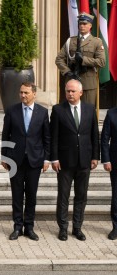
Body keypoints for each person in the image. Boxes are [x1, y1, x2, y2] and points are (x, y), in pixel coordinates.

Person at [50, 79, 99, 241]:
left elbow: (94, 135)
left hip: (85, 161)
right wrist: (54, 158)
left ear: (80, 93)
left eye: (73, 91)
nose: (70, 94)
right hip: (64, 162)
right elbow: (53, 137)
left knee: (81, 196)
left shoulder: (90, 109)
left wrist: (95, 156)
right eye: (68, 91)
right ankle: (63, 228)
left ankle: (77, 228)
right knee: (63, 196)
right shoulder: (58, 110)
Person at [1, 82, 51, 241]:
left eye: (26, 93)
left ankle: (29, 227)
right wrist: (4, 156)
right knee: (16, 195)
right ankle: (17, 227)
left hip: (34, 160)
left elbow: (46, 138)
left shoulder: (42, 112)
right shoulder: (11, 111)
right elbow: (5, 135)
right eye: (21, 92)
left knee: (31, 195)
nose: (23, 95)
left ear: (34, 94)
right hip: (15, 160)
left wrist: (46, 158)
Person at [55, 12, 105, 106]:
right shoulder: (70, 41)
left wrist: (83, 59)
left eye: (85, 24)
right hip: (72, 81)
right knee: (70, 112)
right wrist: (67, 71)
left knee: (87, 112)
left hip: (88, 84)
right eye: (80, 24)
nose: (82, 26)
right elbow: (59, 59)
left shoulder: (96, 42)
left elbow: (101, 62)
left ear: (90, 25)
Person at [100, 108, 117, 240]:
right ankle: (116, 227)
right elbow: (105, 138)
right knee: (116, 195)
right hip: (115, 162)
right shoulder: (111, 113)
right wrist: (106, 159)